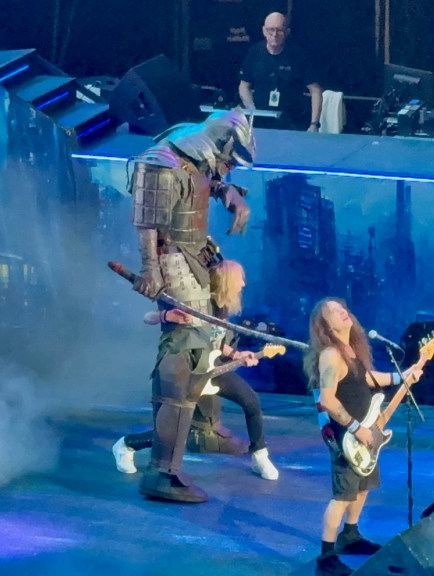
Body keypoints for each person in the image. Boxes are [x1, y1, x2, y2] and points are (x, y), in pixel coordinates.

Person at [129, 109, 254, 503]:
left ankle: (204, 427)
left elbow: (203, 179)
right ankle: (162, 470)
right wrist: (150, 269)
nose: (230, 166)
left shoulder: (194, 154)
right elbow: (148, 220)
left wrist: (227, 192)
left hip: (197, 251)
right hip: (173, 259)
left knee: (212, 333)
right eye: (231, 158)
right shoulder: (161, 161)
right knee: (184, 353)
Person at [113, 260, 279, 481]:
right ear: (227, 281)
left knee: (251, 401)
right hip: (190, 370)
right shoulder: (196, 301)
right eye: (240, 278)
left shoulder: (222, 307)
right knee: (176, 428)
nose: (243, 284)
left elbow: (215, 341)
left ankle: (259, 455)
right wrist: (167, 317)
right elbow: (148, 317)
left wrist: (237, 354)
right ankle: (127, 445)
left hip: (212, 368)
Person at [304, 298, 425, 576]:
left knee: (362, 486)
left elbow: (368, 379)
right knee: (343, 496)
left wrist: (402, 376)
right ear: (325, 325)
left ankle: (350, 535)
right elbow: (327, 400)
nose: (342, 312)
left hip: (366, 432)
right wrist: (357, 428)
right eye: (333, 312)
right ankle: (326, 558)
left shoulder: (350, 350)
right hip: (346, 436)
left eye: (342, 308)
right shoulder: (331, 355)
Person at [238, 12, 323, 132]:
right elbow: (244, 86)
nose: (274, 34)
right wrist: (252, 110)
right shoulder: (254, 52)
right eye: (271, 30)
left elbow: (316, 90)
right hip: (260, 124)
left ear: (287, 32)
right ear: (264, 31)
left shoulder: (299, 55)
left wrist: (314, 124)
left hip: (293, 124)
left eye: (279, 30)